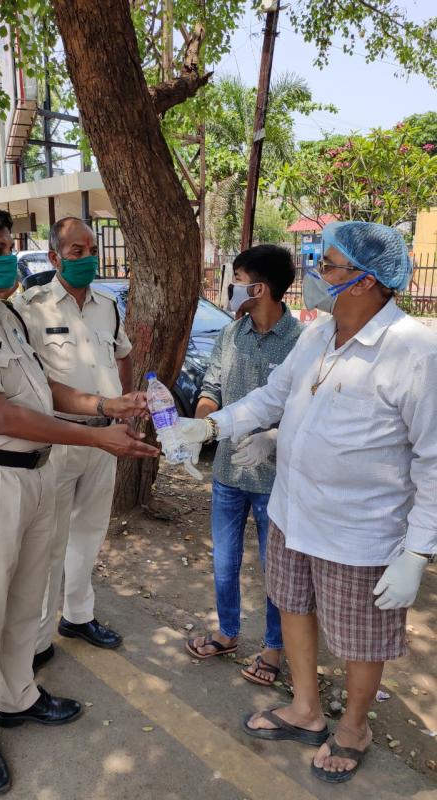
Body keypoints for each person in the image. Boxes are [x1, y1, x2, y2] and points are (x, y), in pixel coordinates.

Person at [176, 221, 437, 784]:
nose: (318, 275)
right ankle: (306, 710)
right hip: (291, 514)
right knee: (293, 608)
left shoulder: (416, 350)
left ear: (367, 282)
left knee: (361, 637)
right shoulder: (318, 334)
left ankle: (355, 728)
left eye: (330, 266)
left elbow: (433, 459)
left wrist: (417, 551)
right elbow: (273, 396)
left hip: (361, 530)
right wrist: (211, 427)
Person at [0, 199, 158, 795]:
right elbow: (1, 414)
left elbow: (43, 389)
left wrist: (106, 406)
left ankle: (19, 696)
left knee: (26, 597)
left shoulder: (4, 314)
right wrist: (97, 439)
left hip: (35, 475)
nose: (6, 264)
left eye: (5, 250)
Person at [15, 216, 133, 667]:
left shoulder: (107, 304)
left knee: (89, 532)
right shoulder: (32, 307)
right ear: (55, 257)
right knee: (50, 540)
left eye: (91, 249)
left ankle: (78, 616)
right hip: (58, 438)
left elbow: (121, 355)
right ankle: (39, 638)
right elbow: (31, 379)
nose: (87, 258)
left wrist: (121, 403)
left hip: (104, 440)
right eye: (76, 252)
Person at [185, 246, 302, 690]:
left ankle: (274, 647)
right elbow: (212, 386)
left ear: (259, 288)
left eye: (236, 279)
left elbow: (308, 409)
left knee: (278, 568)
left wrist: (275, 437)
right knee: (225, 561)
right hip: (229, 475)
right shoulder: (231, 336)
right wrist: (199, 427)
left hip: (277, 481)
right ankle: (227, 633)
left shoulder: (301, 342)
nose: (229, 288)